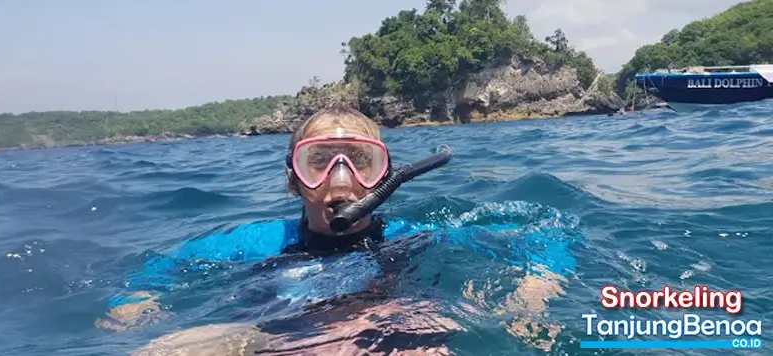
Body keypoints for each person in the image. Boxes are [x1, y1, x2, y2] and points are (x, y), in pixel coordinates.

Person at [98, 105, 579, 354]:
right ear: (294, 179)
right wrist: (137, 298)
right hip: (275, 334)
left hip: (397, 324)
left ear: (385, 177)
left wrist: (539, 282)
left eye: (360, 163)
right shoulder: (257, 242)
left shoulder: (414, 235)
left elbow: (546, 232)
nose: (341, 180)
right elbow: (164, 266)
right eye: (320, 163)